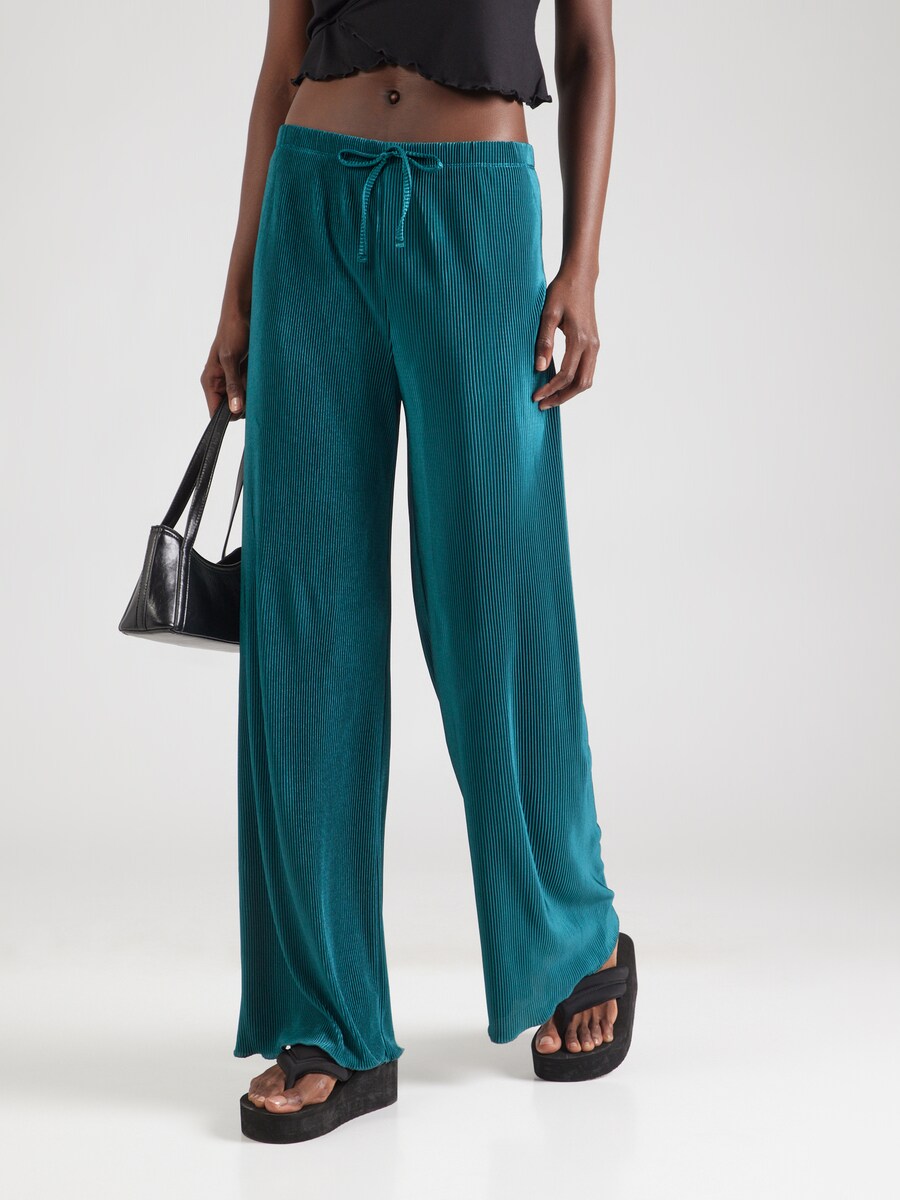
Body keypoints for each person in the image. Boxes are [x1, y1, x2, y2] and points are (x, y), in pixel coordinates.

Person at [200, 0, 637, 1144]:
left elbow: (587, 44)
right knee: (308, 621)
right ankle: (328, 1016)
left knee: (498, 606)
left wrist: (582, 264)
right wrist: (239, 288)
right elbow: (281, 62)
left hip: (476, 206)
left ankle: (574, 939)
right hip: (312, 205)